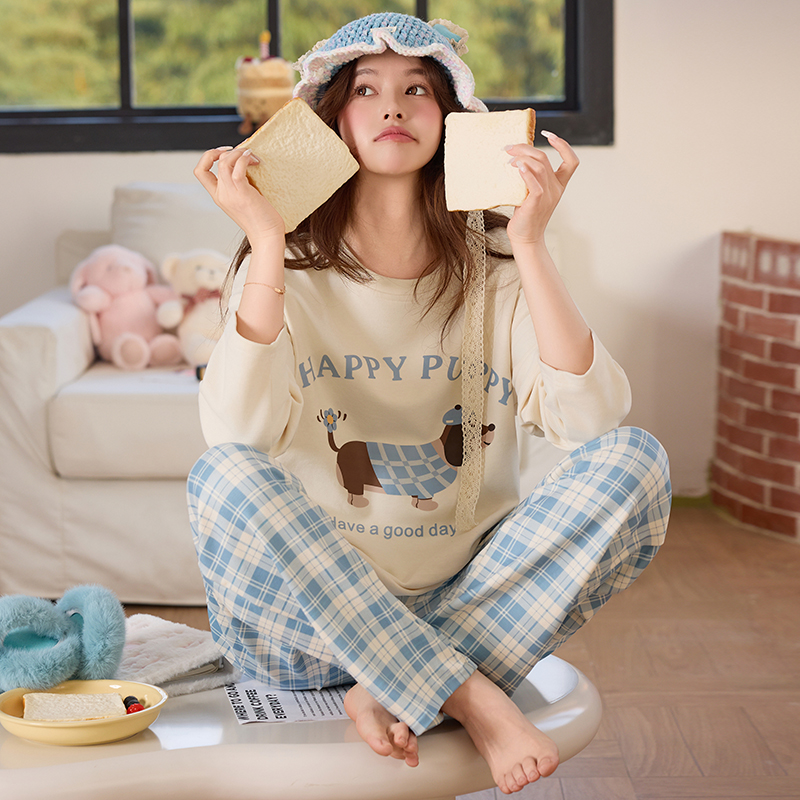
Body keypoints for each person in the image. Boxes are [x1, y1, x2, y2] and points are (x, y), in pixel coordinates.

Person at [189, 12, 671, 796]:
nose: (392, 107)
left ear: (451, 124)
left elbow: (591, 421)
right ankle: (469, 694)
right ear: (334, 122)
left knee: (637, 460)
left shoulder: (503, 265)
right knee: (224, 478)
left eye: (418, 89)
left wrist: (535, 243)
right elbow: (235, 434)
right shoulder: (287, 269)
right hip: (306, 632)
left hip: (461, 599)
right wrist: (269, 246)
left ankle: (402, 677)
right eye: (366, 91)